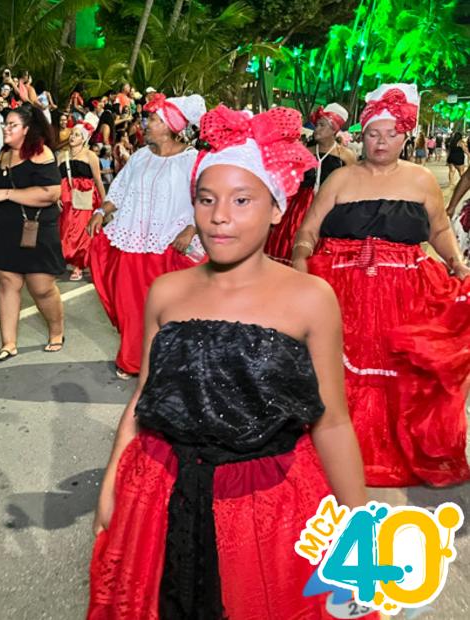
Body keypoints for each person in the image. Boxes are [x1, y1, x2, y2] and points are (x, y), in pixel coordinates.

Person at [88, 103, 368, 620]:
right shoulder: (167, 291)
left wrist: (359, 527)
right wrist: (111, 482)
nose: (219, 216)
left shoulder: (310, 298)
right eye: (206, 199)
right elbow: (144, 397)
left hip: (266, 507)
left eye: (242, 200)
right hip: (159, 493)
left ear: (277, 208)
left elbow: (332, 422)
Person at [292, 83, 470, 487]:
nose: (381, 141)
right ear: (361, 134)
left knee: (402, 371)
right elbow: (308, 230)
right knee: (336, 372)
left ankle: (396, 452)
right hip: (339, 292)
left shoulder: (422, 180)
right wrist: (302, 258)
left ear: (407, 136)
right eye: (374, 133)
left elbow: (440, 229)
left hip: (406, 291)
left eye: (391, 133)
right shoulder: (340, 179)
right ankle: (338, 451)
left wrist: (455, 262)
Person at [88, 93, 206, 379]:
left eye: (153, 119)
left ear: (169, 126)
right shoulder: (140, 156)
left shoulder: (194, 161)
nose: (147, 123)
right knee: (130, 306)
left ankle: (168, 364)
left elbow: (206, 199)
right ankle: (131, 361)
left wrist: (191, 229)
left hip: (171, 247)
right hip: (131, 244)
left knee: (170, 310)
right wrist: (101, 212)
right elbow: (118, 190)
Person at [0, 103, 63, 361]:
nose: (6, 129)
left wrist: (7, 193)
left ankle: (56, 330)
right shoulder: (4, 154)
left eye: (12, 125)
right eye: (5, 124)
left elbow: (51, 193)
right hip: (6, 226)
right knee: (6, 282)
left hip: (36, 228)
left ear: (27, 130)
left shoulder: (41, 153)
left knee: (41, 287)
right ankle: (8, 343)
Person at [265, 102, 355, 264]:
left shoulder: (346, 156)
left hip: (330, 208)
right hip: (299, 209)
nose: (317, 129)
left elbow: (353, 185)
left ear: (334, 128)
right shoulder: (304, 151)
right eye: (316, 125)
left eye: (321, 125)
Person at [58, 121, 106, 281]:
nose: (72, 137)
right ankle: (68, 260)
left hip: (85, 198)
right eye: (72, 134)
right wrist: (57, 196)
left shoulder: (90, 156)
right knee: (65, 229)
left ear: (84, 139)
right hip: (66, 198)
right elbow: (58, 179)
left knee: (81, 231)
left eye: (77, 135)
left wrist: (105, 203)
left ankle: (78, 265)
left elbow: (98, 180)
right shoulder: (61, 155)